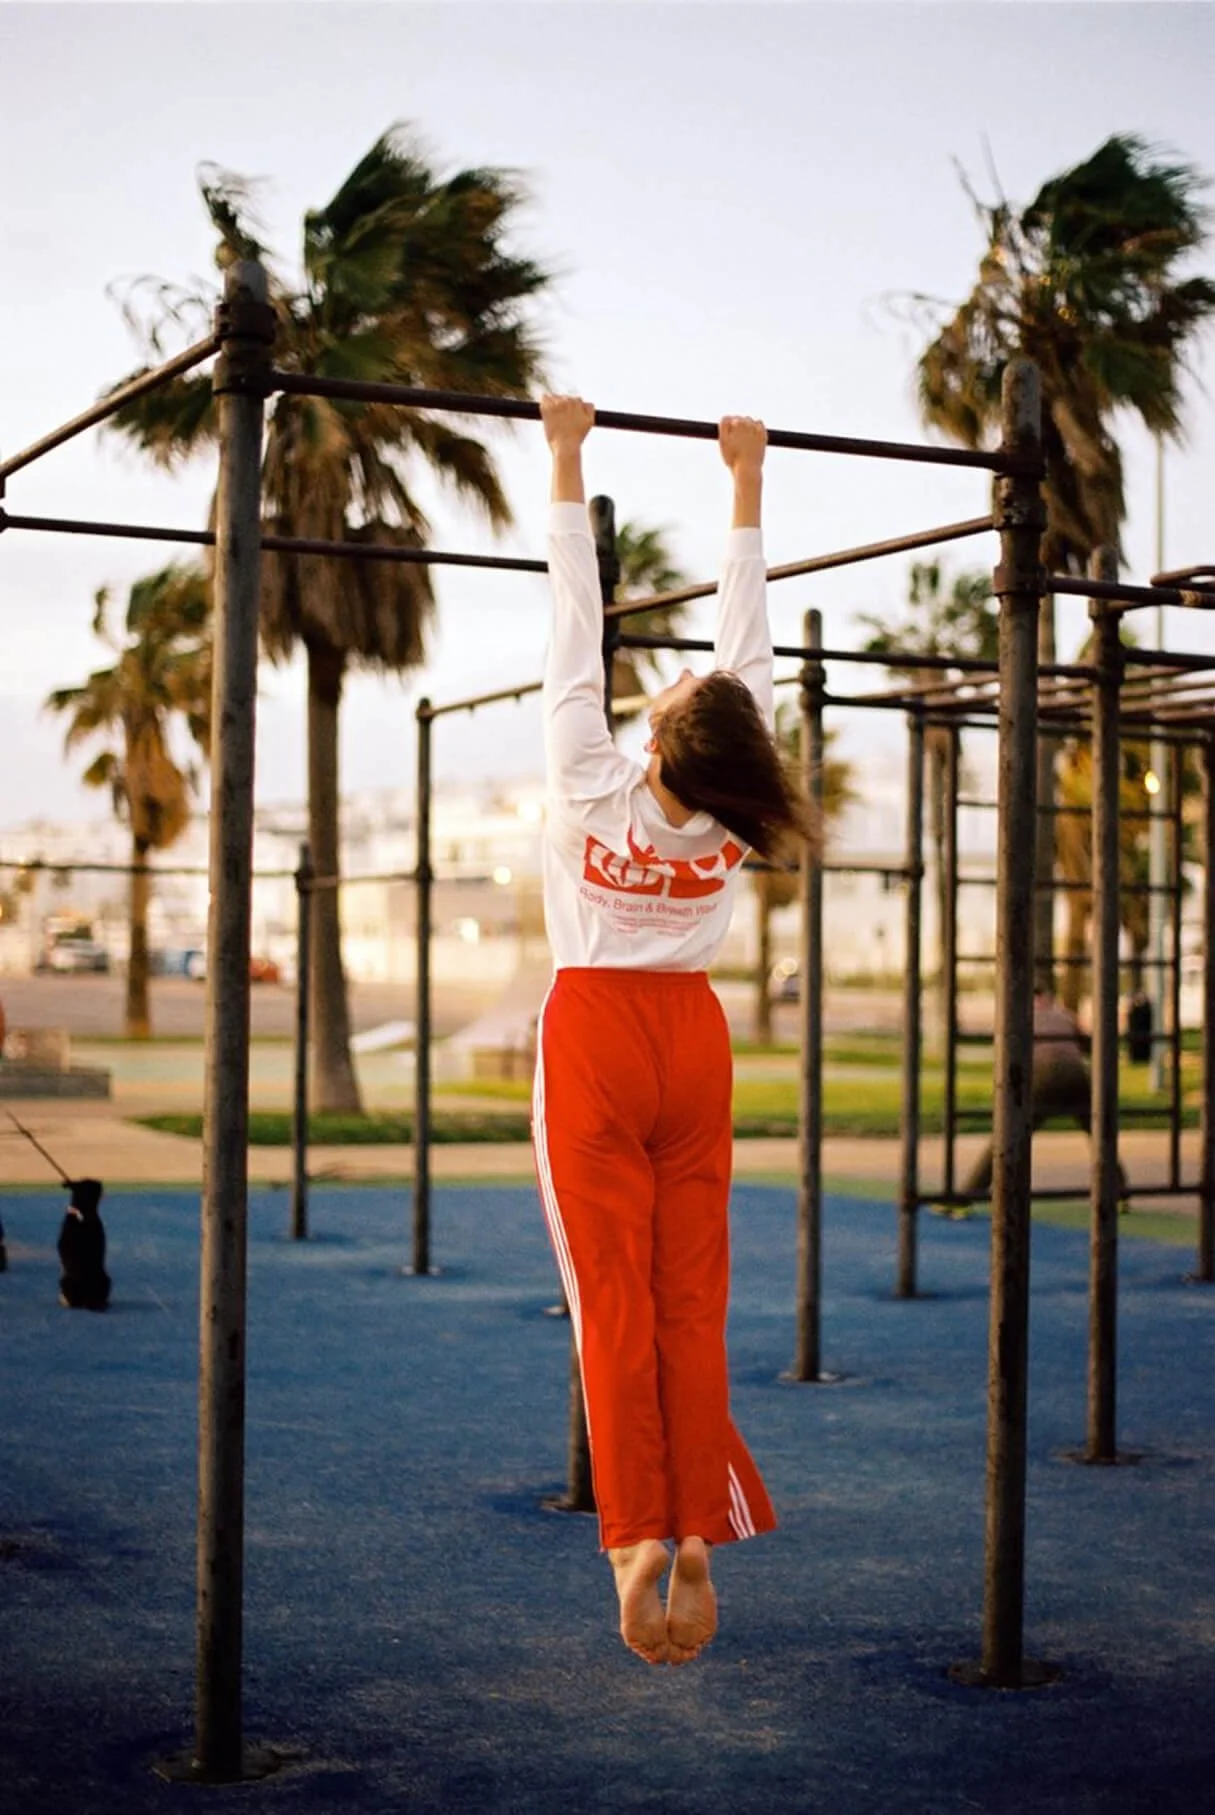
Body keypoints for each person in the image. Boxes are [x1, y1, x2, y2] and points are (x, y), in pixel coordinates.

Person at [533, 394, 813, 1668]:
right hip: (693, 1039)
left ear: (656, 734)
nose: (696, 676)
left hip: (597, 1029)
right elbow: (747, 641)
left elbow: (574, 619)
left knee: (613, 1302)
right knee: (691, 1301)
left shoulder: (588, 774)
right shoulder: (737, 813)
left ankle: (637, 1537)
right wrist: (745, 484)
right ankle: (695, 1526)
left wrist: (565, 455)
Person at [955, 989, 1129, 1209]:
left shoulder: (1018, 1016)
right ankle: (1119, 1193)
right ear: (1047, 998)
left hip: (1043, 1076)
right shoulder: (1063, 1015)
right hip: (1076, 1076)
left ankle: (967, 1195)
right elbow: (1088, 1045)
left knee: (1007, 1135)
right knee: (1098, 1135)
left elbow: (1008, 1054)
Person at [57, 1177, 111, 1310]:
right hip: (98, 1294)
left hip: (74, 1291)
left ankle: (73, 1294)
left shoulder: (72, 1223)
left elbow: (63, 1249)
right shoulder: (94, 1224)